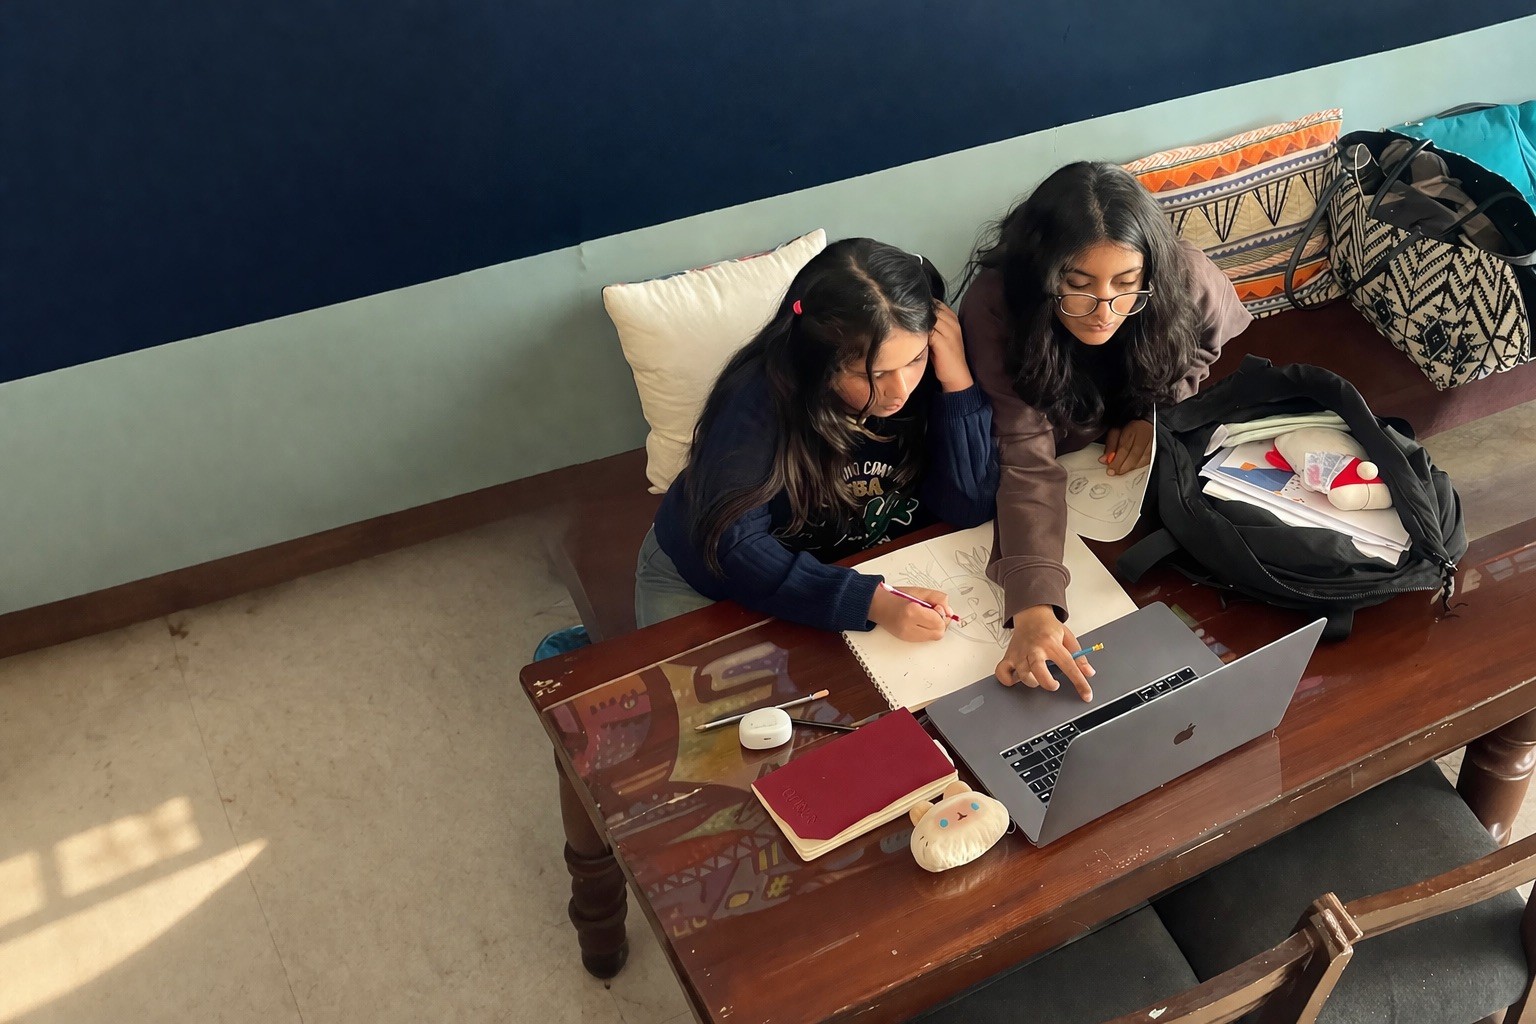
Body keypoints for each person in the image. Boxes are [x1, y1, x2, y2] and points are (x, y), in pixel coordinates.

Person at [958, 162, 1253, 700]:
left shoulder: (1185, 274)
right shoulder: (996, 303)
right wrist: (1035, 607)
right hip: (1048, 446)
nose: (1103, 312)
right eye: (1077, 286)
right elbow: (1023, 451)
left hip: (1124, 463)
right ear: (1043, 273)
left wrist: (1152, 411)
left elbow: (1205, 345)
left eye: (1126, 285)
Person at [636, 237, 998, 639]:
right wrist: (870, 601)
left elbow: (969, 509)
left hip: (831, 571)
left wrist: (958, 384)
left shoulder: (935, 373)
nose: (900, 391)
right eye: (874, 374)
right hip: (710, 580)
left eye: (915, 359)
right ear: (819, 365)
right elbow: (735, 547)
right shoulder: (755, 403)